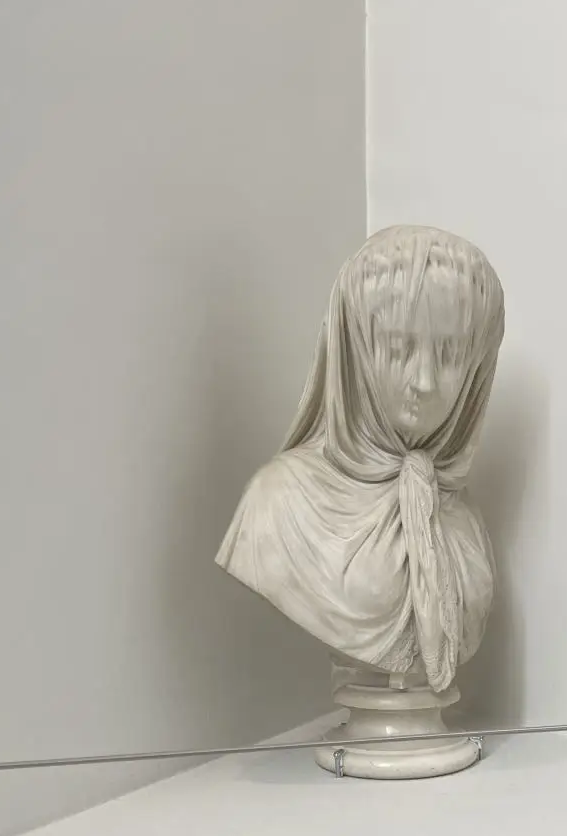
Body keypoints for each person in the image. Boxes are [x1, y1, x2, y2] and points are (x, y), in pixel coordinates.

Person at [216, 225, 505, 694]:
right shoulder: (279, 503)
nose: (425, 381)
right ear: (355, 350)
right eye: (399, 348)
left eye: (450, 353)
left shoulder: (457, 514)